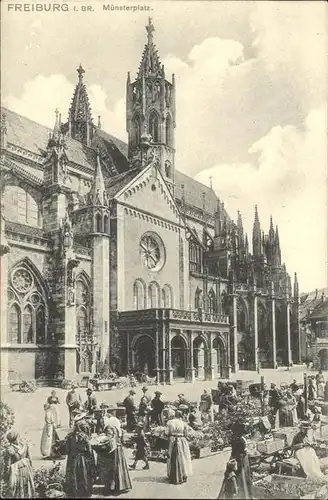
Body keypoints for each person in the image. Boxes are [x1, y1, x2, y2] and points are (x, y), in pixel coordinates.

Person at [96, 410, 132, 496]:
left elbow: (109, 439)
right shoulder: (115, 427)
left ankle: (112, 488)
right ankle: (121, 486)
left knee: (111, 469)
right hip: (118, 448)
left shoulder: (109, 428)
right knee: (119, 467)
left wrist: (100, 439)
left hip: (113, 450)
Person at [65, 419, 96, 498]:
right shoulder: (84, 436)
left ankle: (73, 492)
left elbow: (67, 450)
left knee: (73, 475)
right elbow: (89, 450)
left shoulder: (69, 436)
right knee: (83, 475)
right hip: (82, 458)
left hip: (72, 458)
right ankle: (84, 492)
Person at [3, 430, 35, 498]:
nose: (19, 438)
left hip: (18, 472)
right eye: (18, 437)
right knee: (23, 487)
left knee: (19, 488)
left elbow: (8, 465)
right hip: (23, 470)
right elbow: (29, 458)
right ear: (14, 440)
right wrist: (31, 468)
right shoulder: (23, 446)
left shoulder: (10, 449)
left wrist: (6, 475)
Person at [166, 410, 192, 485]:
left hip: (172, 440)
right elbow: (186, 434)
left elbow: (167, 433)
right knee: (183, 457)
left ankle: (172, 475)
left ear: (175, 415)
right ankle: (183, 474)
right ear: (181, 416)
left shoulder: (170, 422)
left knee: (171, 457)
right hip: (182, 440)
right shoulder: (184, 423)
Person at [229, 422, 253, 499]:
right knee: (242, 477)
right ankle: (245, 495)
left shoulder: (234, 438)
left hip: (238, 458)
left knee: (241, 478)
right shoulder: (239, 440)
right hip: (240, 459)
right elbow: (241, 451)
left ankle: (243, 494)